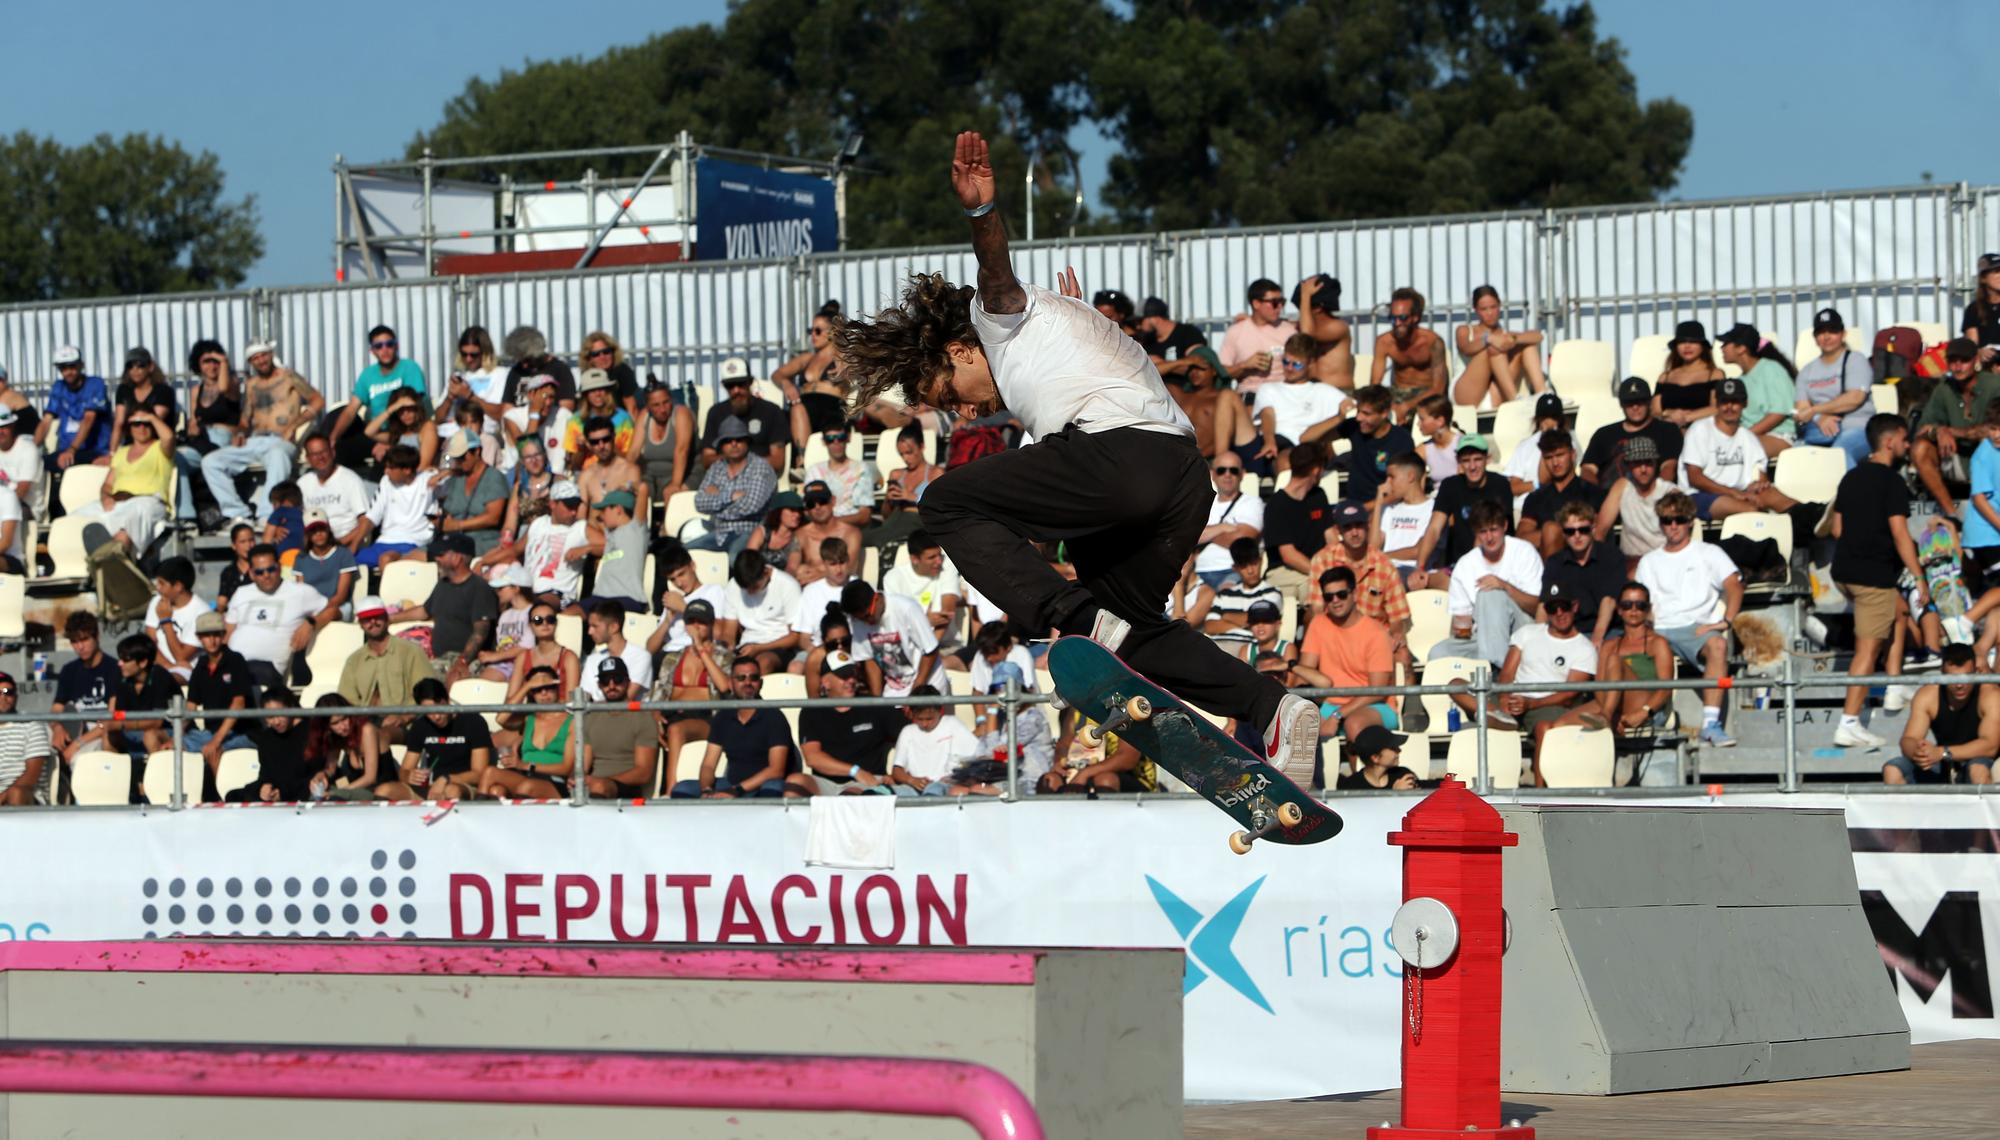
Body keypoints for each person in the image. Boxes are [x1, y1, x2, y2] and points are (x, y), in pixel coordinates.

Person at [833, 132, 1319, 782]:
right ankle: (1274, 707)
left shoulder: (995, 320)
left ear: (958, 350)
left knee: (946, 502)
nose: (967, 410)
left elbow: (996, 275)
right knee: (1135, 630)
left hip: (1120, 460)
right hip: (1180, 480)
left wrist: (982, 213)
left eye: (950, 392)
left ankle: (1079, 620)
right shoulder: (1051, 345)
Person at [1829, 415, 1928, 748]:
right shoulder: (1893, 482)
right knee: (1867, 651)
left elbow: (1836, 529)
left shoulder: (1850, 477)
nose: (1907, 445)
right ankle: (1849, 722)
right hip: (1872, 579)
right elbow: (1901, 534)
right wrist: (1918, 577)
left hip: (1844, 572)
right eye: (1904, 439)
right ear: (1890, 442)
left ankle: (1894, 685)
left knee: (1897, 611)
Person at [1634, 490, 1743, 748]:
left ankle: (1711, 724)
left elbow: (1734, 585)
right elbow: (1642, 603)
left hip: (1695, 628)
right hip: (1658, 628)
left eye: (1679, 519)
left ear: (1690, 521)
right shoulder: (1649, 562)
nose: (1673, 526)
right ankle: (1646, 718)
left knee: (1718, 645)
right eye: (1667, 520)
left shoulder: (1709, 552)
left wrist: (1725, 621)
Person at [1477, 581, 1605, 782]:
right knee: (1456, 685)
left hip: (1547, 703)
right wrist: (1504, 698)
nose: (1560, 613)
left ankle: (1540, 794)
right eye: (1553, 608)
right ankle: (1502, 719)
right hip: (1513, 696)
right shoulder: (1527, 633)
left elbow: (1570, 694)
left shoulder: (1584, 649)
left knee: (1544, 727)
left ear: (1575, 607)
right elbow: (1507, 672)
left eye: (1565, 607)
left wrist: (1531, 703)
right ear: (1546, 610)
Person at [201, 345, 322, 526]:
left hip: (281, 439)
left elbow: (318, 400)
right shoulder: (251, 384)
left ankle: (266, 515)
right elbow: (245, 420)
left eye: (263, 356)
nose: (261, 361)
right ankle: (238, 514)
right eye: (255, 358)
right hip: (255, 440)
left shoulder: (288, 376)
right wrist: (240, 433)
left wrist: (293, 426)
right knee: (211, 461)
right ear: (251, 362)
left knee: (277, 456)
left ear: (271, 355)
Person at [672, 657, 814, 798]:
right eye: (741, 678)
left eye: (753, 678)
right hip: (732, 784)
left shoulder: (774, 717)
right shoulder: (723, 717)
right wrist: (706, 790)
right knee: (682, 789)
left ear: (761, 683)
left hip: (762, 785)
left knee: (773, 788)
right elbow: (708, 765)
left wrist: (736, 790)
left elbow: (776, 771)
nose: (747, 683)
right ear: (730, 683)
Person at [1427, 499, 1543, 669]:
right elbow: (1462, 628)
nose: (1489, 538)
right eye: (1483, 532)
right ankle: (1486, 669)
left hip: (1521, 632)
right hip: (1482, 637)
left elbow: (1536, 606)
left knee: (1490, 594)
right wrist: (1463, 625)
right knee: (1438, 654)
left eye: (1494, 530)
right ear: (1476, 533)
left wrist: (1505, 587)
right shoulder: (1465, 564)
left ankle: (1494, 675)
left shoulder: (1524, 552)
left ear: (1504, 526)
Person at [1292, 565, 1397, 744]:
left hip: (1375, 706)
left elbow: (1378, 691)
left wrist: (1338, 715)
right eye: (1328, 596)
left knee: (1354, 724)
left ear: (1354, 594)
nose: (1335, 600)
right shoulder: (1319, 624)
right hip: (1330, 704)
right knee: (1298, 730)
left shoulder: (1376, 633)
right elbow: (1305, 671)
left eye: (1341, 594)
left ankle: (1359, 772)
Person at [1308, 500, 1411, 667]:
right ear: (1338, 530)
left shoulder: (1384, 564)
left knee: (1403, 658)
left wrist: (1396, 633)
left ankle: (1401, 694)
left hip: (1375, 638)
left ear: (1368, 526)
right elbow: (1317, 610)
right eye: (1348, 527)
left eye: (1359, 525)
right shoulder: (1322, 560)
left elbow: (1397, 616)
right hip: (1336, 636)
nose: (1354, 532)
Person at [1680, 377, 1800, 522]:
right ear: (1716, 403)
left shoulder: (1748, 437)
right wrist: (1733, 493)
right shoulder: (1699, 429)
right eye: (1724, 402)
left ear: (1745, 403)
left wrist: (1759, 485)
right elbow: (1695, 478)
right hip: (1699, 495)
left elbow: (1760, 476)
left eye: (1735, 401)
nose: (1729, 407)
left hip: (1740, 492)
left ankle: (1810, 518)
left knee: (1777, 498)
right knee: (1751, 511)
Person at [1909, 338, 2000, 516]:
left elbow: (1992, 429)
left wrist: (1950, 431)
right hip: (1956, 456)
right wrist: (1938, 431)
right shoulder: (1944, 388)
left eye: (1964, 360)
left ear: (1976, 360)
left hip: (1992, 453)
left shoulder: (1995, 385)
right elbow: (1922, 428)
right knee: (1920, 448)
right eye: (1953, 361)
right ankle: (1951, 514)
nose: (1958, 366)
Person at [389, 535, 499, 683]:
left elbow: (480, 633)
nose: (436, 559)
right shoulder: (443, 584)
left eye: (441, 555)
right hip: (440, 659)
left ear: (457, 558)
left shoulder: (479, 588)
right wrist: (390, 618)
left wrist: (462, 662)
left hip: (466, 660)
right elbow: (424, 611)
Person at [69, 406, 174, 554]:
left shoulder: (160, 449)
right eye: (136, 424)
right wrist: (105, 498)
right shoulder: (121, 452)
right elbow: (107, 484)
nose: (141, 427)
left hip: (147, 500)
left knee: (129, 521)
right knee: (74, 518)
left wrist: (150, 416)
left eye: (146, 424)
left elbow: (169, 437)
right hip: (118, 501)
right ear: (129, 427)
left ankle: (117, 559)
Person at [225, 543, 329, 690]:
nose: (266, 575)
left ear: (279, 567)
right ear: (251, 574)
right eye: (260, 572)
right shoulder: (241, 593)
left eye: (271, 569)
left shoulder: (301, 592)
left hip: (268, 668)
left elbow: (334, 610)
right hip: (233, 663)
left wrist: (311, 623)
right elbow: (228, 633)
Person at [1889, 644, 1997, 785]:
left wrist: (1942, 752)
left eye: (1966, 677)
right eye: (1952, 678)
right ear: (1942, 674)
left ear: (1975, 672)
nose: (1959, 685)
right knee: (1893, 770)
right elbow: (1908, 739)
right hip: (1943, 762)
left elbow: (1990, 746)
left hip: (1977, 759)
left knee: (1978, 770)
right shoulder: (1928, 695)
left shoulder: (1990, 695)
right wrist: (1918, 752)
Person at [1598, 581, 1676, 777]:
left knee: (1615, 661)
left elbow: (1666, 688)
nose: (1633, 610)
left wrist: (1644, 712)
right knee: (1556, 724)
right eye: (1627, 605)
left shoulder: (1658, 643)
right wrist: (1613, 715)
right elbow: (1598, 686)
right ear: (1619, 610)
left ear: (1648, 609)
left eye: (1640, 605)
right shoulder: (1609, 644)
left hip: (1646, 705)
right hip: (1614, 707)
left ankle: (1604, 717)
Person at [1412, 435, 1512, 584]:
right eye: (1466, 461)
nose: (1472, 466)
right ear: (1458, 462)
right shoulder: (1450, 486)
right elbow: (1434, 528)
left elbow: (1505, 529)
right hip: (1459, 565)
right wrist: (1419, 567)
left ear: (1487, 459)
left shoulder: (1500, 484)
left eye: (1477, 459)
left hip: (1496, 560)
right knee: (1423, 582)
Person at [799, 652, 901, 793]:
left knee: (850, 794)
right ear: (825, 682)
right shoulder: (812, 711)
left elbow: (908, 736)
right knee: (795, 782)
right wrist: (855, 771)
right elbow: (813, 758)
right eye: (844, 675)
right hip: (826, 783)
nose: (851, 680)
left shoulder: (874, 705)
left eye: (853, 674)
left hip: (866, 783)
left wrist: (898, 773)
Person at [331, 325, 427, 473]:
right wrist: (332, 438)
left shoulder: (409, 368)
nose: (385, 349)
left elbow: (415, 406)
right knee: (339, 449)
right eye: (379, 346)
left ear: (396, 346)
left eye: (389, 344)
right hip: (376, 431)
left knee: (386, 461)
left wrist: (392, 443)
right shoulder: (368, 375)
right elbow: (351, 410)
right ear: (372, 351)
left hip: (402, 430)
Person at [383, 677, 495, 802]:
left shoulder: (473, 722)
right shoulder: (420, 726)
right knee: (385, 791)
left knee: (452, 791)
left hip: (463, 785)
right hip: (431, 787)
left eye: (439, 708)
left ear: (447, 700)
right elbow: (404, 770)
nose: (436, 716)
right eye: (429, 711)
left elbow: (479, 774)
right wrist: (409, 776)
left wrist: (446, 779)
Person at [1251, 333, 1349, 473]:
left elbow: (1352, 408)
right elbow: (1268, 416)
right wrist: (1269, 440)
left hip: (1311, 447)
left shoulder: (1324, 391)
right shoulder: (1268, 389)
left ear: (1310, 363)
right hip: (1279, 445)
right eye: (1285, 362)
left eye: (1296, 364)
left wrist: (1340, 417)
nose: (1289, 368)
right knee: (1287, 460)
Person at [182, 611, 257, 790]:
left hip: (242, 733)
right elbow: (191, 705)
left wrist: (216, 741)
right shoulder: (200, 665)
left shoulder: (235, 660)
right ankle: (187, 798)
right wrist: (177, 735)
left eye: (216, 634)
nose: (212, 640)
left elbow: (239, 703)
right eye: (207, 636)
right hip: (210, 733)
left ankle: (222, 800)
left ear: (223, 636)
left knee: (214, 752)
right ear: (199, 638)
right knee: (173, 747)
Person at [1793, 307, 1875, 466]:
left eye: (1833, 331)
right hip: (1820, 431)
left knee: (1840, 454)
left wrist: (1815, 410)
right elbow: (1801, 409)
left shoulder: (1856, 360)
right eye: (1821, 332)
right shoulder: (1806, 371)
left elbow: (1855, 398)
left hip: (1858, 428)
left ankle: (1850, 491)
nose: (1826, 337)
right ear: (1815, 338)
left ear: (1843, 334)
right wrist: (1819, 418)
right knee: (1797, 457)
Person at [1261, 438, 1333, 611]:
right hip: (1284, 570)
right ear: (1316, 470)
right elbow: (1289, 555)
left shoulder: (1319, 495)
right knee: (1319, 589)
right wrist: (1324, 574)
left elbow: (1331, 537)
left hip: (1314, 568)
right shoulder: (1277, 505)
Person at [336, 596, 433, 724]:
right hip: (366, 724)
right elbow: (346, 701)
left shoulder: (411, 652)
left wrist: (404, 717)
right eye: (367, 619)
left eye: (377, 617)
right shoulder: (354, 660)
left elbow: (429, 695)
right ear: (360, 624)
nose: (373, 622)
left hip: (405, 724)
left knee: (377, 736)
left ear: (386, 618)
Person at [841, 578, 943, 699]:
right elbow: (869, 659)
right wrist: (877, 700)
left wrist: (915, 694)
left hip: (928, 681)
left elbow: (930, 650)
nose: (867, 622)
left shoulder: (907, 608)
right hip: (895, 687)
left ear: (877, 599)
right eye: (860, 619)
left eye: (868, 616)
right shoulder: (859, 621)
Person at [691, 415, 776, 557]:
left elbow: (751, 506)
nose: (734, 444)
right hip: (719, 534)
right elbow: (699, 503)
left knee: (735, 560)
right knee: (687, 552)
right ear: (721, 445)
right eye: (728, 441)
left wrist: (717, 503)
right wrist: (730, 496)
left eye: (739, 439)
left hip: (750, 532)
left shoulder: (761, 467)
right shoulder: (716, 468)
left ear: (747, 442)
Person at [1541, 501, 1624, 644]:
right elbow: (1544, 605)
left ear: (1593, 529)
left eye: (1583, 530)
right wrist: (1539, 639)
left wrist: (1596, 638)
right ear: (1563, 534)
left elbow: (1609, 601)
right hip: (1569, 632)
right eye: (1570, 531)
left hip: (1608, 631)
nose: (1577, 535)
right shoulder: (1555, 562)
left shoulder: (1611, 556)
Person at [1452, 285, 1545, 407]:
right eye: (1484, 309)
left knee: (1527, 346)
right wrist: (1488, 338)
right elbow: (1466, 348)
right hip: (1466, 392)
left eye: (1493, 307)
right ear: (1476, 310)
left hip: (1494, 393)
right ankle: (1514, 398)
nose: (1490, 313)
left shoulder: (1503, 335)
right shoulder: (1464, 330)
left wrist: (1514, 339)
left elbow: (1538, 336)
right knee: (1493, 347)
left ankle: (1542, 393)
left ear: (1499, 306)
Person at [581, 657, 661, 799]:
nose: (611, 685)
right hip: (593, 786)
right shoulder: (591, 716)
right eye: (605, 681)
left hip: (625, 788)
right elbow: (584, 764)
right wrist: (576, 778)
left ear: (627, 682)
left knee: (599, 787)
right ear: (599, 685)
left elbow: (644, 773)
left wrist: (604, 781)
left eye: (617, 679)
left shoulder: (643, 717)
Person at [227, 688, 323, 804]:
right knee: (233, 795)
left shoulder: (310, 733)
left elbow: (313, 774)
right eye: (270, 717)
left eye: (280, 714)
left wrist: (283, 792)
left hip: (301, 792)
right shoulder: (266, 738)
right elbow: (265, 775)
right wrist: (263, 789)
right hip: (275, 793)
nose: (276, 722)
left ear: (291, 707)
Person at [1716, 324, 1798, 458]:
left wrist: (1743, 436)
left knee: (1733, 452)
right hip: (1749, 437)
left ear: (1741, 348)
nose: (1722, 347)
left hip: (1779, 436)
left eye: (1726, 343)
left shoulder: (1771, 369)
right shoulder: (1740, 380)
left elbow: (1779, 412)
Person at [1580, 377, 1683, 485]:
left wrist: (1655, 495)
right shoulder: (1603, 434)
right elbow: (1588, 469)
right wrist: (1597, 495)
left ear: (1649, 402)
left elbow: (1668, 468)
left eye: (1640, 402)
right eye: (1629, 403)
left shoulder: (1667, 431)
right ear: (1621, 404)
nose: (1635, 407)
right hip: (1609, 496)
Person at [1593, 434, 1675, 567]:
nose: (1643, 469)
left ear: (1655, 463)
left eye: (1648, 463)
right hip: (1629, 561)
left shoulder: (1669, 492)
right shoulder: (1622, 487)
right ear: (1628, 465)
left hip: (1663, 560)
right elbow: (1600, 531)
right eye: (1637, 463)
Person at [1370, 287, 1449, 423]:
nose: (1397, 323)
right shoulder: (1384, 342)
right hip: (1398, 393)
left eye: (1403, 318)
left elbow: (1439, 388)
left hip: (1426, 395)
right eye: (1393, 318)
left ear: (1415, 317)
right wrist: (1389, 406)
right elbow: (1375, 384)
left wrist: (1405, 407)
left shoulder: (1433, 342)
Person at [1518, 429, 1602, 555]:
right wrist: (1553, 536)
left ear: (1573, 455)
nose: (1555, 463)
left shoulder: (1591, 492)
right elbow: (1522, 536)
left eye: (1560, 455)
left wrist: (1558, 535)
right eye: (1549, 458)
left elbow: (1598, 533)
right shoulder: (1535, 498)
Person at [891, 682, 983, 796]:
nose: (924, 724)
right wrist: (912, 781)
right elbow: (897, 771)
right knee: (885, 793)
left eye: (929, 719)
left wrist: (954, 778)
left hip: (943, 786)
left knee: (934, 790)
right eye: (919, 719)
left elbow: (979, 754)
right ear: (912, 713)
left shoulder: (951, 724)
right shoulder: (908, 731)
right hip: (912, 787)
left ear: (940, 711)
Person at [353, 445, 433, 569]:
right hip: (383, 542)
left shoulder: (427, 480)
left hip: (412, 543)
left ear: (406, 470)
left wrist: (441, 473)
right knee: (343, 560)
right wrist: (354, 545)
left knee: (386, 559)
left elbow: (454, 472)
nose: (386, 471)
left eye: (391, 468)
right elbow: (371, 518)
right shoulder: (386, 481)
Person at [700, 359, 787, 473]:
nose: (736, 390)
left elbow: (777, 461)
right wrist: (734, 463)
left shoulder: (771, 411)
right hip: (724, 478)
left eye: (741, 384)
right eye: (730, 386)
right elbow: (707, 459)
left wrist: (743, 464)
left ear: (750, 382)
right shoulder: (716, 413)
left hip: (761, 476)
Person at [725, 549, 802, 674]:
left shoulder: (788, 585)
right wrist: (726, 651)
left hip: (778, 645)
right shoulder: (733, 586)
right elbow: (728, 632)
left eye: (754, 587)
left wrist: (759, 648)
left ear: (765, 573)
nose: (749, 592)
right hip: (746, 646)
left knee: (762, 664)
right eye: (745, 589)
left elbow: (794, 637)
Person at [882, 529, 962, 648]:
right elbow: (896, 621)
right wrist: (924, 621)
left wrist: (930, 650)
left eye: (939, 555)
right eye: (932, 557)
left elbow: (947, 613)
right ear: (914, 559)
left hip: (944, 645)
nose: (939, 561)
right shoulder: (893, 578)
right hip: (910, 647)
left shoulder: (947, 564)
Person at [1192, 452, 1261, 589]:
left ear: (1242, 474)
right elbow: (1184, 535)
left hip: (1233, 571)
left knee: (1226, 597)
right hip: (1196, 574)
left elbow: (1243, 541)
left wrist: (1203, 534)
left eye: (1233, 470)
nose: (1227, 474)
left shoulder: (1252, 503)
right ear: (1213, 474)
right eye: (1221, 470)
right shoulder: (1200, 504)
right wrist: (1223, 527)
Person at [433, 431, 509, 558]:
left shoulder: (493, 478)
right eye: (456, 458)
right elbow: (449, 511)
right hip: (454, 540)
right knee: (409, 558)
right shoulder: (456, 478)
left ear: (477, 451)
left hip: (482, 541)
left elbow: (493, 517)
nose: (459, 462)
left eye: (462, 457)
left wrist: (458, 525)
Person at [39, 345, 112, 473]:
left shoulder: (95, 384)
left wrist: (72, 449)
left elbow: (89, 418)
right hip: (65, 451)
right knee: (37, 464)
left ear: (81, 365)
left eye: (72, 366)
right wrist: (31, 448)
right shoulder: (58, 387)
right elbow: (46, 421)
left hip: (94, 450)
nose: (68, 372)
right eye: (63, 368)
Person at [296, 433, 372, 553]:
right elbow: (295, 518)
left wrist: (338, 544)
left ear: (332, 452)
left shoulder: (350, 479)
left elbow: (365, 521)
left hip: (346, 545)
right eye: (315, 454)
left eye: (323, 452)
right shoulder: (302, 483)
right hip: (315, 548)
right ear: (308, 458)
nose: (320, 457)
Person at [1218, 277, 1294, 393]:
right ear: (1256, 304)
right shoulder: (1236, 332)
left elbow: (1304, 365)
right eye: (1274, 303)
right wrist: (1244, 365)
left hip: (1283, 393)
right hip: (1251, 394)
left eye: (1282, 302)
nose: (1279, 307)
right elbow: (1221, 372)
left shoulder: (1288, 331)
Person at [579, 490, 650, 613]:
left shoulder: (635, 530)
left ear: (618, 509)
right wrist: (587, 548)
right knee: (568, 613)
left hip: (626, 598)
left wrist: (629, 487)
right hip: (600, 597)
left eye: (604, 510)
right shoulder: (610, 534)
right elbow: (595, 519)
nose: (601, 515)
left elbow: (643, 490)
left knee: (602, 617)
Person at [145, 556, 212, 683]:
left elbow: (181, 656)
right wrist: (167, 666)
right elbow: (149, 642)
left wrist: (166, 622)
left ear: (178, 586)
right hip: (159, 665)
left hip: (187, 670)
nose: (158, 588)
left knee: (164, 681)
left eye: (162, 583)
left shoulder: (201, 612)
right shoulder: (157, 601)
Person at [436, 326, 508, 443]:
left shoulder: (500, 374)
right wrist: (450, 398)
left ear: (484, 353)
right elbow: (438, 418)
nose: (468, 359)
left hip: (482, 434)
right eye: (464, 354)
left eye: (473, 355)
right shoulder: (459, 375)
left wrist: (470, 395)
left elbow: (500, 413)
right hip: (449, 434)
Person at [1206, 538, 1284, 646]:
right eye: (1243, 566)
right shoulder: (1223, 595)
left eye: (1254, 564)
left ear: (1261, 561)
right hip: (1221, 648)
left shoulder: (1272, 592)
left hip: (1250, 648)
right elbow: (1210, 626)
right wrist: (1243, 629)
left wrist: (1226, 616)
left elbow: (1260, 621)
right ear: (1235, 568)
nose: (1250, 571)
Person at [794, 480, 866, 586]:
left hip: (842, 590)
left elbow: (850, 568)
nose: (817, 507)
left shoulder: (851, 533)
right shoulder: (800, 535)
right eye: (811, 504)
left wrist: (820, 574)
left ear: (833, 501)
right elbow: (793, 570)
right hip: (812, 592)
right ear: (806, 510)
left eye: (822, 501)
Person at [632, 383, 695, 501]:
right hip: (651, 476)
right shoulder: (644, 416)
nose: (662, 409)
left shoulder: (681, 413)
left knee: (672, 494)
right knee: (635, 491)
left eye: (666, 402)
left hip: (686, 473)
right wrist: (622, 478)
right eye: (656, 405)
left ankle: (668, 520)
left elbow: (682, 450)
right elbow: (634, 452)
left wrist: (675, 484)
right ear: (648, 407)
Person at [564, 371, 638, 472]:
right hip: (586, 476)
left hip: (617, 475)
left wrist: (607, 443)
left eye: (601, 389)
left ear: (608, 392)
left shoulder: (624, 419)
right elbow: (573, 465)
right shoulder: (575, 421)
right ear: (586, 395)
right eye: (592, 390)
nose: (597, 394)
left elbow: (630, 460)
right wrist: (581, 449)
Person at [579, 598, 653, 699]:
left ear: (614, 627)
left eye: (595, 626)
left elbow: (627, 698)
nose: (590, 632)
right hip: (594, 714)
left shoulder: (641, 657)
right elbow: (583, 698)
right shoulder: (592, 660)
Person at [1375, 452, 1434, 579]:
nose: (1387, 483)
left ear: (1410, 476)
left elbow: (1418, 551)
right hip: (1384, 572)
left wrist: (1382, 556)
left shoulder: (1433, 509)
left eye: (1392, 477)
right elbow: (1373, 547)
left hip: (1412, 573)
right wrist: (1379, 503)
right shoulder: (1389, 509)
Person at [501, 373, 573, 475]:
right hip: (520, 476)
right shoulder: (512, 417)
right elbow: (526, 450)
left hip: (556, 477)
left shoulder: (564, 416)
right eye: (544, 396)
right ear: (531, 395)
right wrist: (535, 413)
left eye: (551, 397)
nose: (548, 402)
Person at [1292, 275, 1355, 391]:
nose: (1301, 311)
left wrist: (1305, 296)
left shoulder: (1338, 327)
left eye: (1303, 306)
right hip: (1311, 393)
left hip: (1338, 393)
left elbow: (1307, 336)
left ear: (1318, 308)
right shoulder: (1301, 326)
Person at [1654, 320, 1722, 428]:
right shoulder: (1665, 377)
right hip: (1668, 435)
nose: (1687, 346)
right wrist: (1669, 413)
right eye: (1682, 341)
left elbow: (1718, 407)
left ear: (1702, 345)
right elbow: (1655, 411)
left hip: (1702, 435)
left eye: (1693, 341)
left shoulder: (1715, 374)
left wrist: (1688, 417)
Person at [293, 510, 359, 620]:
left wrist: (318, 610)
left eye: (322, 529)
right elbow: (302, 592)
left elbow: (341, 596)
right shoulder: (301, 558)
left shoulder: (343, 554)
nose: (318, 534)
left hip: (339, 607)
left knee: (329, 614)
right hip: (311, 608)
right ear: (308, 535)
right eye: (313, 531)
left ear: (328, 530)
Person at [0, 673, 49, 805]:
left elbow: (31, 776)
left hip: (26, 794)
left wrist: (2, 797)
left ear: (15, 696)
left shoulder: (31, 724)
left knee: (16, 792)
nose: (3, 697)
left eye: (8, 692)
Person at [363, 388, 438, 472]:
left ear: (417, 408)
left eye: (409, 408)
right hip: (399, 479)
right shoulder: (398, 434)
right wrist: (391, 409)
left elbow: (423, 465)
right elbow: (369, 432)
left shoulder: (427, 427)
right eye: (401, 410)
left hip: (416, 479)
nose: (405, 414)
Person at [501, 326, 577, 407]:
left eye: (528, 360)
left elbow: (566, 407)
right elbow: (506, 408)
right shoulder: (516, 371)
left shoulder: (560, 369)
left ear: (538, 352)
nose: (524, 365)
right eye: (520, 360)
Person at [1137, 296, 1210, 379]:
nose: (1138, 326)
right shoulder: (1148, 341)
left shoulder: (1188, 333)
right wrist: (1184, 361)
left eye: (1140, 321)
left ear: (1153, 319)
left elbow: (1197, 367)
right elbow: (1146, 371)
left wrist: (1161, 364)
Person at [881, 422, 943, 517]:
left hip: (919, 526)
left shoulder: (935, 473)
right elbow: (885, 516)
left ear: (921, 447)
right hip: (896, 523)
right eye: (901, 454)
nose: (905, 459)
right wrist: (888, 502)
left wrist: (913, 497)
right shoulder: (896, 475)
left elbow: (939, 510)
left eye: (909, 453)